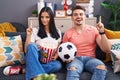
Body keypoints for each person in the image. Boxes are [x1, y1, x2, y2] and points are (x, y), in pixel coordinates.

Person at [62, 5, 111, 80]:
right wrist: (66, 59)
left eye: (81, 14)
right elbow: (63, 53)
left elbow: (106, 49)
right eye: (75, 15)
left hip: (91, 59)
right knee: (72, 69)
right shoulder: (68, 33)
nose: (78, 16)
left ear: (85, 16)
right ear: (72, 18)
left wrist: (102, 32)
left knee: (101, 67)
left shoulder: (94, 30)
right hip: (75, 59)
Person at [24, 7, 62, 80]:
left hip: (48, 62)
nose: (44, 20)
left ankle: (30, 70)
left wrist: (57, 54)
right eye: (42, 17)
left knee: (58, 65)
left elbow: (59, 44)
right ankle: (38, 77)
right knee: (32, 45)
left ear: (51, 18)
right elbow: (26, 50)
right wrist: (29, 35)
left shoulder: (58, 31)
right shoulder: (35, 30)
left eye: (47, 17)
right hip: (35, 59)